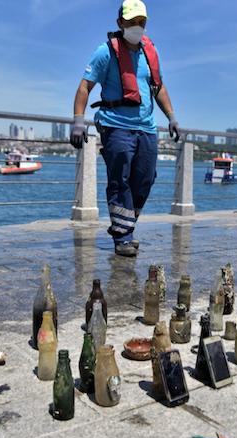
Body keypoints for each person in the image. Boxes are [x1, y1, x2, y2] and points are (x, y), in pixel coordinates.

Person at [70, 0, 180, 257]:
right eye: (131, 22)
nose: (136, 27)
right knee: (120, 181)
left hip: (147, 127)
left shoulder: (149, 52)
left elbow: (159, 87)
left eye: (141, 22)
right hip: (115, 126)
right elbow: (84, 87)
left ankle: (125, 224)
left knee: (145, 178)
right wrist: (78, 120)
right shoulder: (105, 52)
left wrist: (172, 117)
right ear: (120, 23)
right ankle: (123, 237)